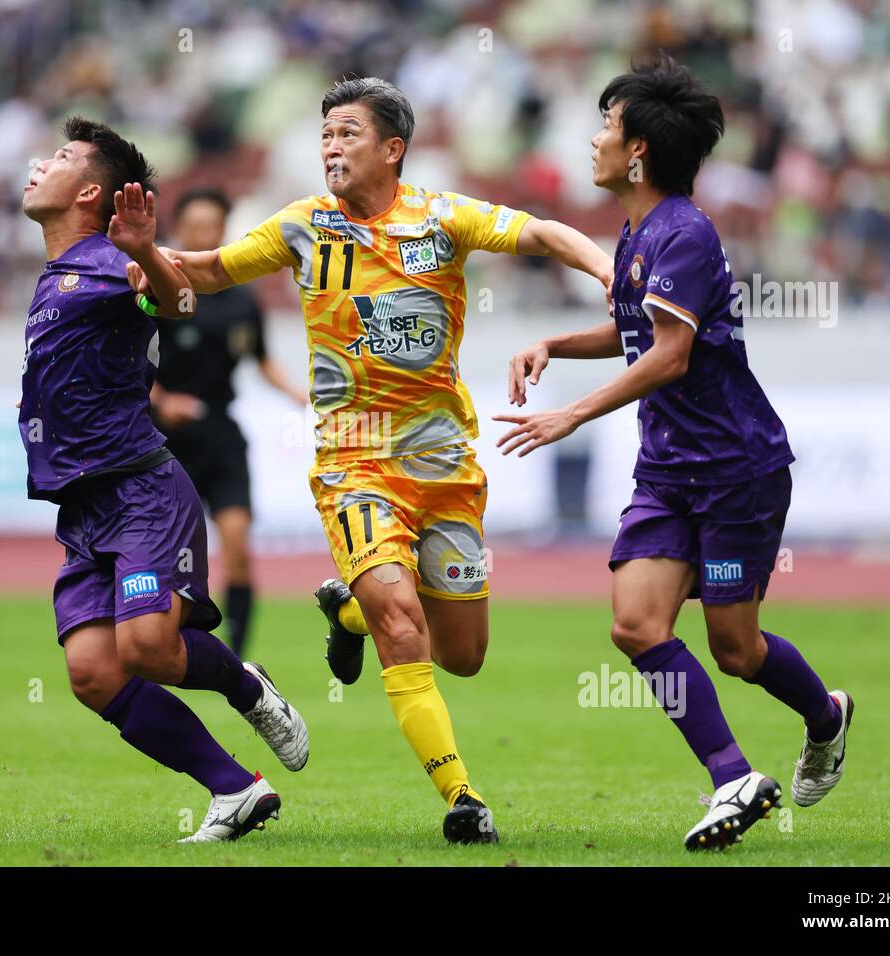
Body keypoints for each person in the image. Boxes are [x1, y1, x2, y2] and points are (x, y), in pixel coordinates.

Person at [128, 78, 612, 844]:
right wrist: (139, 253)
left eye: (347, 132)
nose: (330, 145)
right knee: (402, 622)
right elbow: (211, 269)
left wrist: (609, 272)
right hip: (352, 465)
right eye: (325, 133)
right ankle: (462, 797)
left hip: (443, 463)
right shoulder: (303, 226)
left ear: (393, 149)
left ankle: (345, 611)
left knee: (465, 655)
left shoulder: (443, 218)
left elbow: (545, 234)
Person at [496, 56, 853, 851]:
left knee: (736, 648)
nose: (593, 140)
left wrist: (572, 416)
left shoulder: (684, 232)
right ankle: (734, 778)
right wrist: (555, 340)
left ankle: (826, 717)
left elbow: (670, 354)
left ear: (640, 152)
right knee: (634, 624)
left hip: (735, 470)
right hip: (668, 472)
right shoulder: (637, 232)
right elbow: (635, 335)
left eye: (606, 127)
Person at [19, 117, 308, 843]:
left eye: (57, 157)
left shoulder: (112, 262)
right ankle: (235, 789)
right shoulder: (60, 272)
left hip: (141, 491)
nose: (37, 164)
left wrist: (145, 246)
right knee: (91, 670)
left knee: (147, 646)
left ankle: (247, 685)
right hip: (85, 506)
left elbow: (178, 302)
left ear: (89, 190)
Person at [151, 188, 307, 655]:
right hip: (163, 440)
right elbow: (127, 362)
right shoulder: (156, 289)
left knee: (237, 543)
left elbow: (262, 360)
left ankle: (236, 657)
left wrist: (298, 393)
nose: (203, 234)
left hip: (220, 432)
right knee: (164, 553)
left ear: (224, 230)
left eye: (212, 226)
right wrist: (161, 400)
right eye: (194, 226)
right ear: (178, 229)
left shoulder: (242, 300)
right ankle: (160, 642)